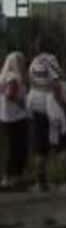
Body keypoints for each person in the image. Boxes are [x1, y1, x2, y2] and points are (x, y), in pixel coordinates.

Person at [27, 48, 66, 192]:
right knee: (63, 144)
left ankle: (41, 183)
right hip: (51, 106)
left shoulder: (34, 62)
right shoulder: (51, 60)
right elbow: (56, 84)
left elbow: (30, 81)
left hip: (35, 105)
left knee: (40, 147)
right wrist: (62, 105)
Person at [0, 52, 30, 189]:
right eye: (21, 61)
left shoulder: (4, 76)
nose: (23, 64)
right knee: (16, 149)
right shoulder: (13, 77)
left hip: (7, 117)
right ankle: (10, 179)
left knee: (14, 149)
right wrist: (23, 105)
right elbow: (10, 95)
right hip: (16, 117)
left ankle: (13, 179)